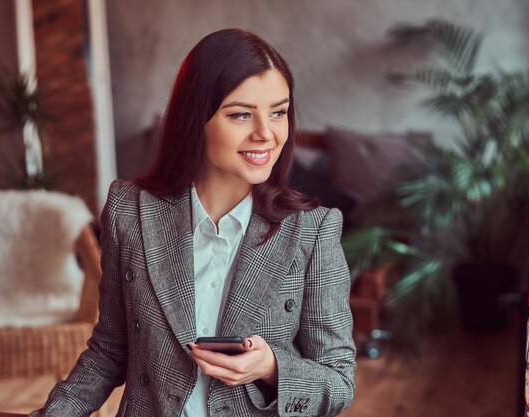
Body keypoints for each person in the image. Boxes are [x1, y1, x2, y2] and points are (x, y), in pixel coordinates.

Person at [30, 28, 356, 417]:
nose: (266, 134)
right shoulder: (129, 211)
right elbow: (109, 350)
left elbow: (339, 382)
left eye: (278, 112)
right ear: (195, 117)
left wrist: (271, 367)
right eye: (240, 114)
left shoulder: (313, 231)